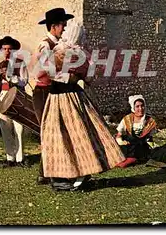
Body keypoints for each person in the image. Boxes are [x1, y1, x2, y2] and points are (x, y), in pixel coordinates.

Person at [40, 19, 125, 191]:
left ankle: (70, 175)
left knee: (66, 134)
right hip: (70, 95)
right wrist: (75, 76)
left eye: (65, 28)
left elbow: (50, 72)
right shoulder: (76, 53)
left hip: (62, 97)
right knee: (72, 134)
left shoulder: (64, 50)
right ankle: (68, 174)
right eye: (61, 26)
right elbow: (88, 77)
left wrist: (70, 75)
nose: (63, 30)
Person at [32, 8, 74, 184]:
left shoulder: (59, 44)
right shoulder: (46, 45)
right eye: (62, 25)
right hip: (44, 92)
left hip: (54, 90)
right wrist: (68, 77)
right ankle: (49, 173)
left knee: (56, 131)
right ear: (54, 26)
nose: (64, 28)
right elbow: (43, 72)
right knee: (49, 132)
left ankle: (46, 172)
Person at [0, 36, 30, 168]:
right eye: (5, 49)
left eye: (9, 49)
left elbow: (25, 81)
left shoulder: (20, 63)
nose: (7, 51)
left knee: (19, 127)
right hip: (3, 96)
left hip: (17, 95)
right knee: (5, 126)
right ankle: (10, 157)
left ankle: (20, 158)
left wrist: (12, 77)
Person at [115, 95, 157, 168]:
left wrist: (153, 147)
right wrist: (121, 142)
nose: (140, 109)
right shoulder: (127, 119)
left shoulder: (150, 121)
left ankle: (132, 159)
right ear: (133, 108)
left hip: (140, 147)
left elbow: (149, 138)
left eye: (142, 106)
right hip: (127, 145)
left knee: (137, 145)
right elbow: (119, 135)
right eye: (137, 106)